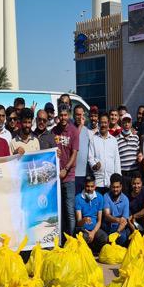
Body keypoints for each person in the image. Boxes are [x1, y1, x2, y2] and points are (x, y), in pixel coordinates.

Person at [52, 105, 80, 238]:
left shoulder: (74, 131)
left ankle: (71, 240)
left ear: (68, 115)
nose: (63, 118)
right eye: (61, 115)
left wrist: (66, 169)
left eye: (65, 115)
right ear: (58, 116)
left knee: (69, 211)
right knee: (59, 211)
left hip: (69, 176)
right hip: (56, 177)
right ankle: (60, 240)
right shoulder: (53, 131)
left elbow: (74, 153)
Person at [88, 113, 121, 193]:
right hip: (98, 181)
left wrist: (118, 179)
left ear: (108, 123)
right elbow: (90, 158)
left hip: (111, 182)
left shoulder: (113, 140)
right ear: (98, 123)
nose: (103, 125)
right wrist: (94, 165)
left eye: (105, 123)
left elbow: (116, 161)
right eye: (101, 123)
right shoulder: (93, 139)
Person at [74, 176, 106, 252]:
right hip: (83, 229)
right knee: (83, 238)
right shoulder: (78, 198)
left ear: (95, 186)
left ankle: (94, 251)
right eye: (87, 186)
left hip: (95, 228)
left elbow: (99, 221)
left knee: (105, 238)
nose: (90, 189)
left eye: (92, 186)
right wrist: (84, 220)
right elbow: (79, 223)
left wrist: (93, 232)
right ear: (84, 185)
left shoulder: (99, 197)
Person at [102, 173, 129, 245]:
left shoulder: (125, 199)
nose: (115, 189)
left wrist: (117, 232)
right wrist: (118, 220)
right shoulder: (106, 196)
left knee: (122, 237)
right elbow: (107, 215)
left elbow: (124, 220)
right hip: (107, 225)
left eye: (117, 187)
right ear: (110, 186)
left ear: (121, 187)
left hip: (119, 227)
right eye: (113, 187)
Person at [117, 112, 142, 190]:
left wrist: (140, 154)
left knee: (134, 193)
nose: (126, 124)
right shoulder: (116, 139)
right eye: (124, 122)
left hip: (134, 172)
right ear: (121, 123)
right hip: (123, 172)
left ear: (131, 123)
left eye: (128, 122)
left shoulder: (136, 137)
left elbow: (139, 151)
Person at [72, 105, 91, 194]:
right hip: (73, 174)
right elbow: (73, 140)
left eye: (81, 114)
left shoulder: (87, 130)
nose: (79, 117)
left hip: (85, 174)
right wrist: (80, 126)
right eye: (77, 115)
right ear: (73, 115)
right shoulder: (70, 129)